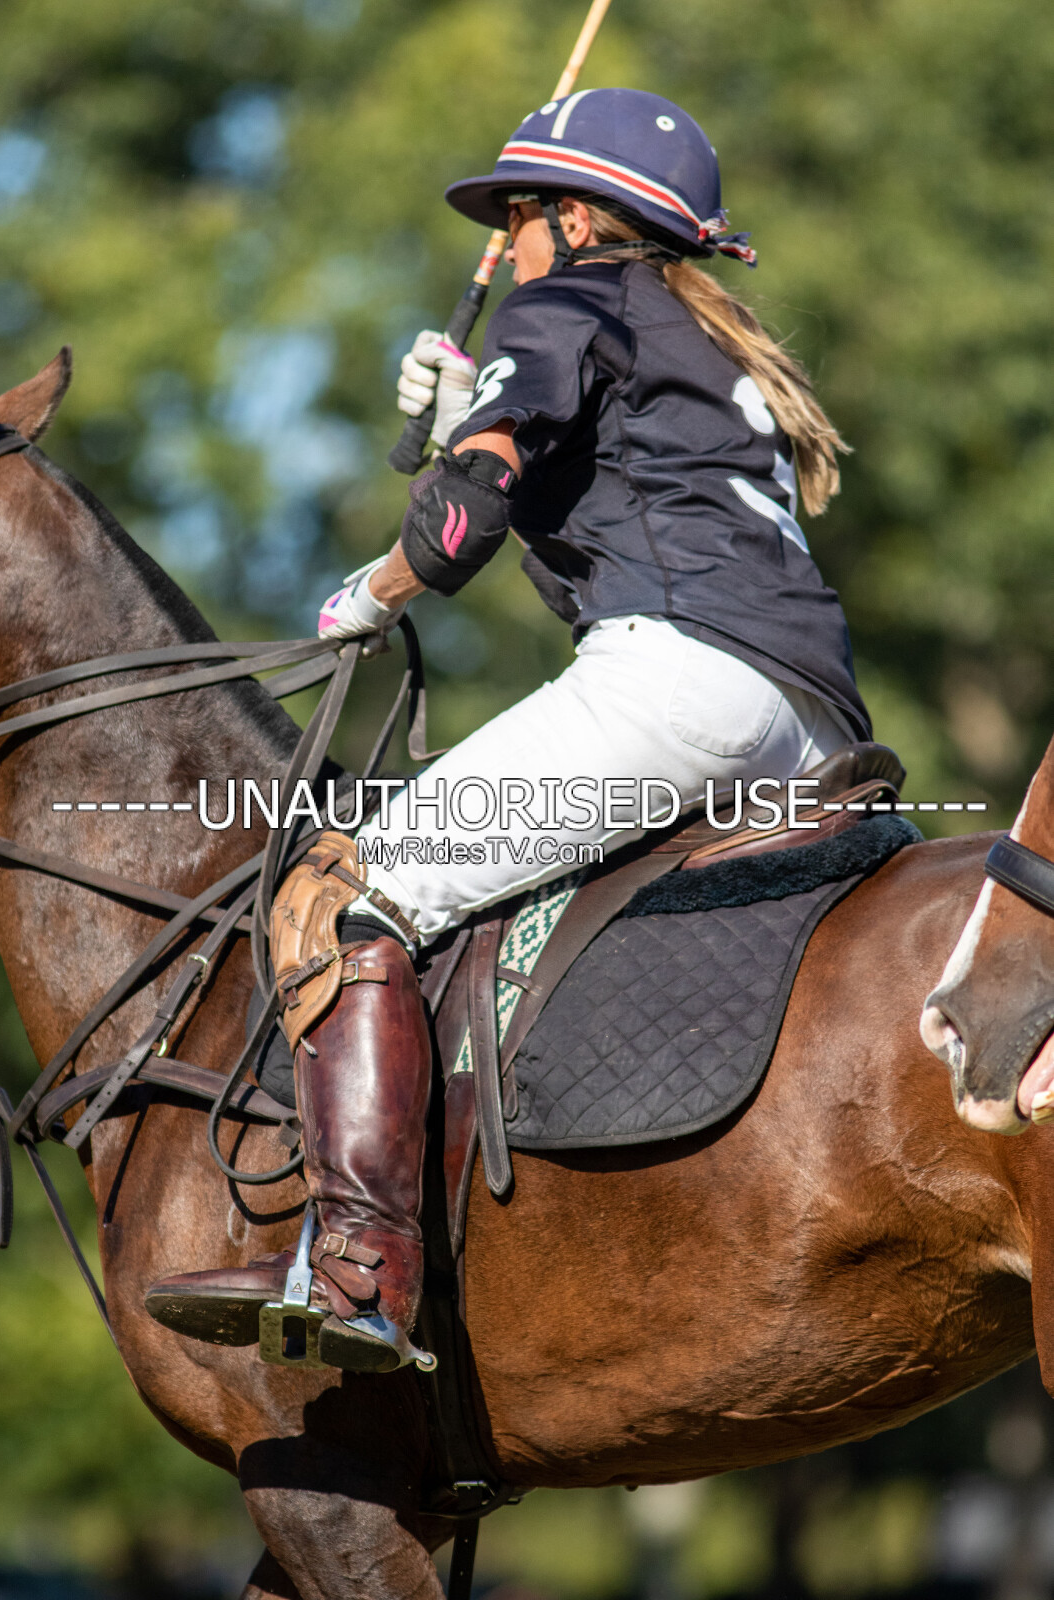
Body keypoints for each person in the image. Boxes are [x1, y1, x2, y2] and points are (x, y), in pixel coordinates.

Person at [146, 88, 871, 1372]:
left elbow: (461, 524)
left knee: (343, 891)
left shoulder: (564, 301)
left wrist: (373, 591)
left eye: (519, 215)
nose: (507, 244)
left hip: (681, 683)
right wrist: (458, 417)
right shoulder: (699, 334)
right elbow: (595, 494)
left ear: (577, 221)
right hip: (810, 719)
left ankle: (356, 1269)